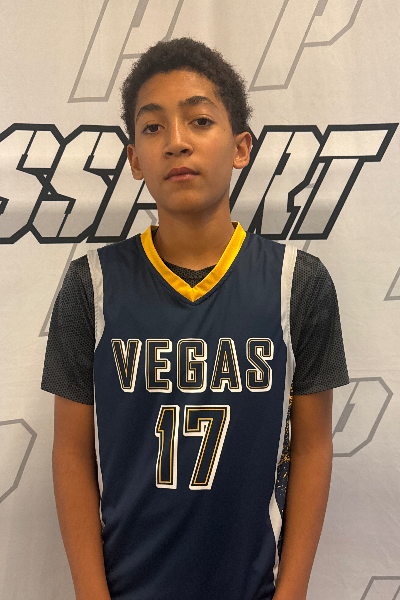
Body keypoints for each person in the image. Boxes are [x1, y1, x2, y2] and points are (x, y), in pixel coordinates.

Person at [41, 37, 349, 600]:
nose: (176, 141)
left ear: (240, 146)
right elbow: (70, 453)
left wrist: (293, 591)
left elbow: (311, 448)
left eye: (200, 120)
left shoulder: (296, 283)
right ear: (135, 159)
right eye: (153, 127)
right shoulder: (92, 285)